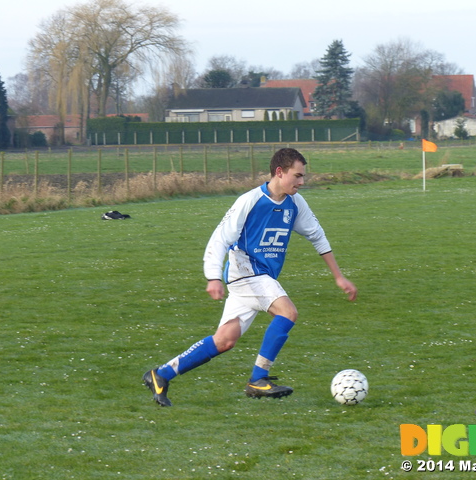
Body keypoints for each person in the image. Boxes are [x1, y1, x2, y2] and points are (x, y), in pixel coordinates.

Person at [143, 147, 357, 406]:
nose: (302, 182)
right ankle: (258, 379)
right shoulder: (250, 201)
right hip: (246, 271)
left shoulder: (295, 203)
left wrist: (338, 276)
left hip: (261, 275)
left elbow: (317, 235)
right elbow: (220, 238)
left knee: (225, 340)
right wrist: (213, 277)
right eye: (297, 176)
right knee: (287, 313)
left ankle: (161, 375)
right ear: (279, 172)